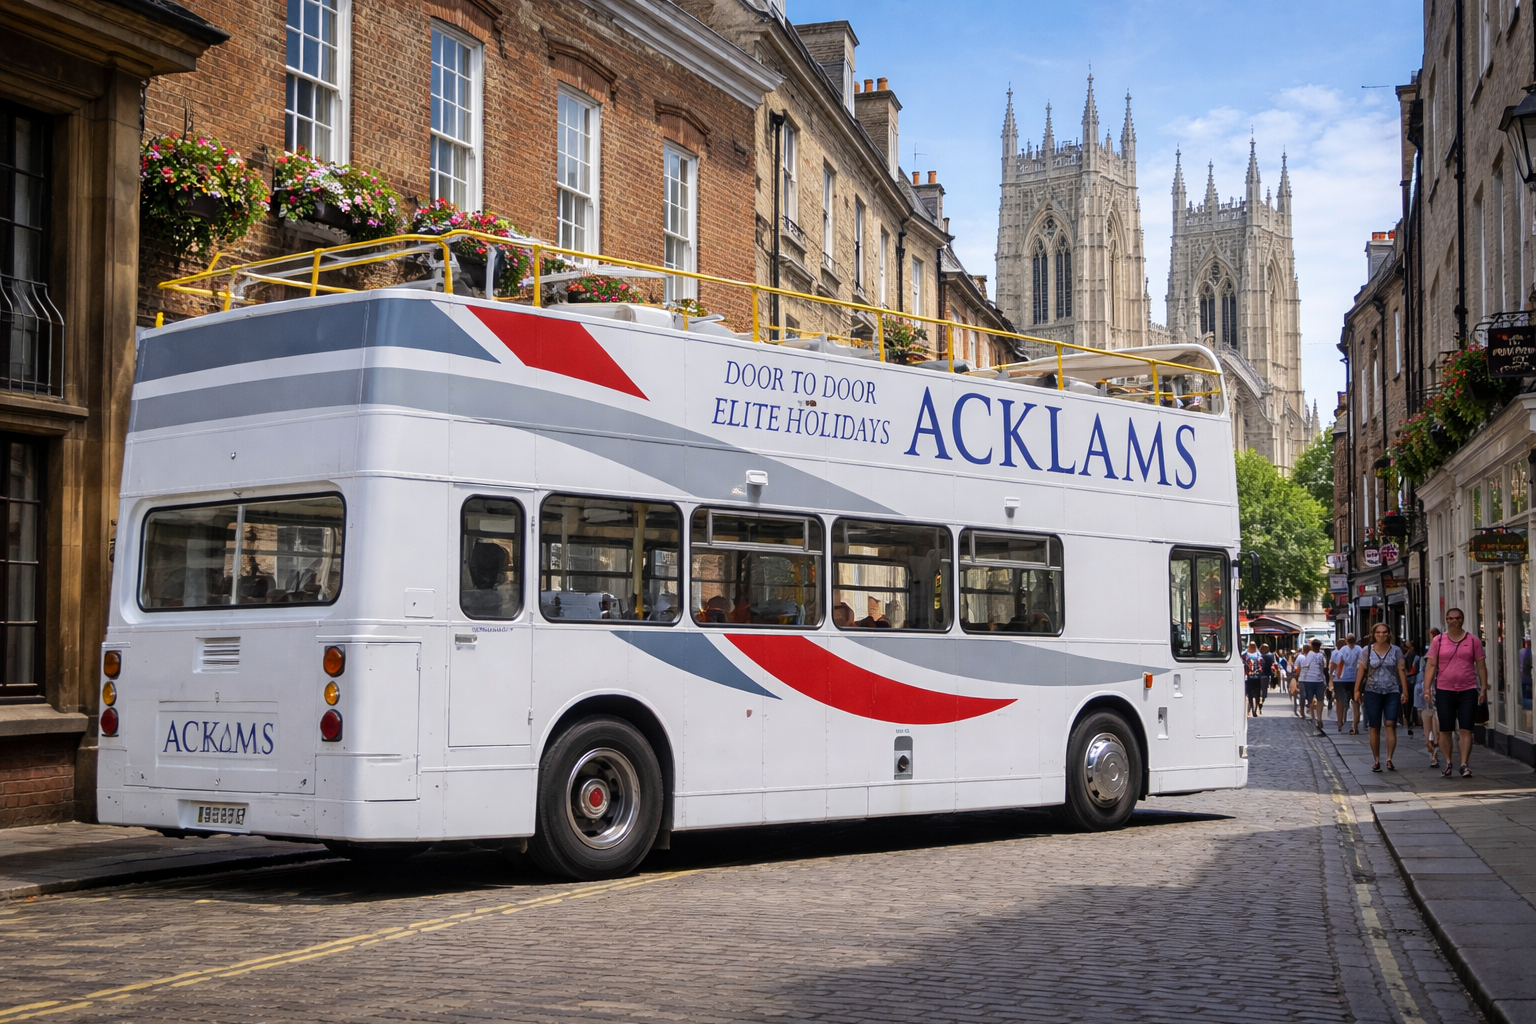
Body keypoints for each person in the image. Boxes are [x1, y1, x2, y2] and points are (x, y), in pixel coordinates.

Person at [1424, 609, 1488, 778]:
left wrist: (1483, 688)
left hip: (1468, 690)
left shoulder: (1473, 640)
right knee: (1446, 729)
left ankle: (1464, 764)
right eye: (1451, 618)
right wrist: (1427, 688)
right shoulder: (1438, 641)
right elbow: (1431, 665)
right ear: (1446, 620)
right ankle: (1448, 762)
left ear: (1463, 619)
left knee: (1467, 729)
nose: (1454, 621)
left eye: (1457, 618)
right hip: (1445, 690)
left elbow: (1481, 665)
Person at [1357, 623, 1410, 772]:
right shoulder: (1366, 651)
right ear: (1373, 634)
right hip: (1371, 691)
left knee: (1390, 723)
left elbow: (1401, 671)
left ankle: (1389, 759)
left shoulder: (1396, 651)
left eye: (1385, 632)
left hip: (1392, 691)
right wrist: (1356, 691)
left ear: (1389, 634)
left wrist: (1404, 691)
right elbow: (1361, 672)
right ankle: (1376, 759)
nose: (1382, 635)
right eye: (1378, 632)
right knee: (1374, 726)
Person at [1293, 638, 1330, 734]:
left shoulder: (1309, 655)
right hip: (1320, 680)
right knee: (1320, 700)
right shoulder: (1322, 655)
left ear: (1312, 647)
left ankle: (1313, 717)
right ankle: (1319, 718)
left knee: (1310, 699)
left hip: (1309, 680)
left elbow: (1305, 666)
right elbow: (1325, 667)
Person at [1330, 634, 1364, 734]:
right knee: (1356, 702)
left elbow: (1335, 663)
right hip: (1355, 679)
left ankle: (1340, 722)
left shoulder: (1342, 649)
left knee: (1339, 702)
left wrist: (1331, 675)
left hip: (1340, 679)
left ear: (1346, 641)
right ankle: (1355, 725)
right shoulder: (1359, 649)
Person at [1244, 640, 1263, 717]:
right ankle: (1255, 710)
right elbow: (1262, 664)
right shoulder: (1259, 655)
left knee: (1250, 695)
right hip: (1257, 677)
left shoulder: (1245, 654)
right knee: (1257, 694)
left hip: (1249, 677)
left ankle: (1252, 710)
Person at [1257, 643, 1277, 714]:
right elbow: (1275, 664)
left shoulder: (1258, 655)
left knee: (1257, 690)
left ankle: (1258, 702)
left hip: (1258, 675)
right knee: (1264, 691)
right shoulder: (1272, 655)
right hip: (1266, 675)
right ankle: (1262, 702)